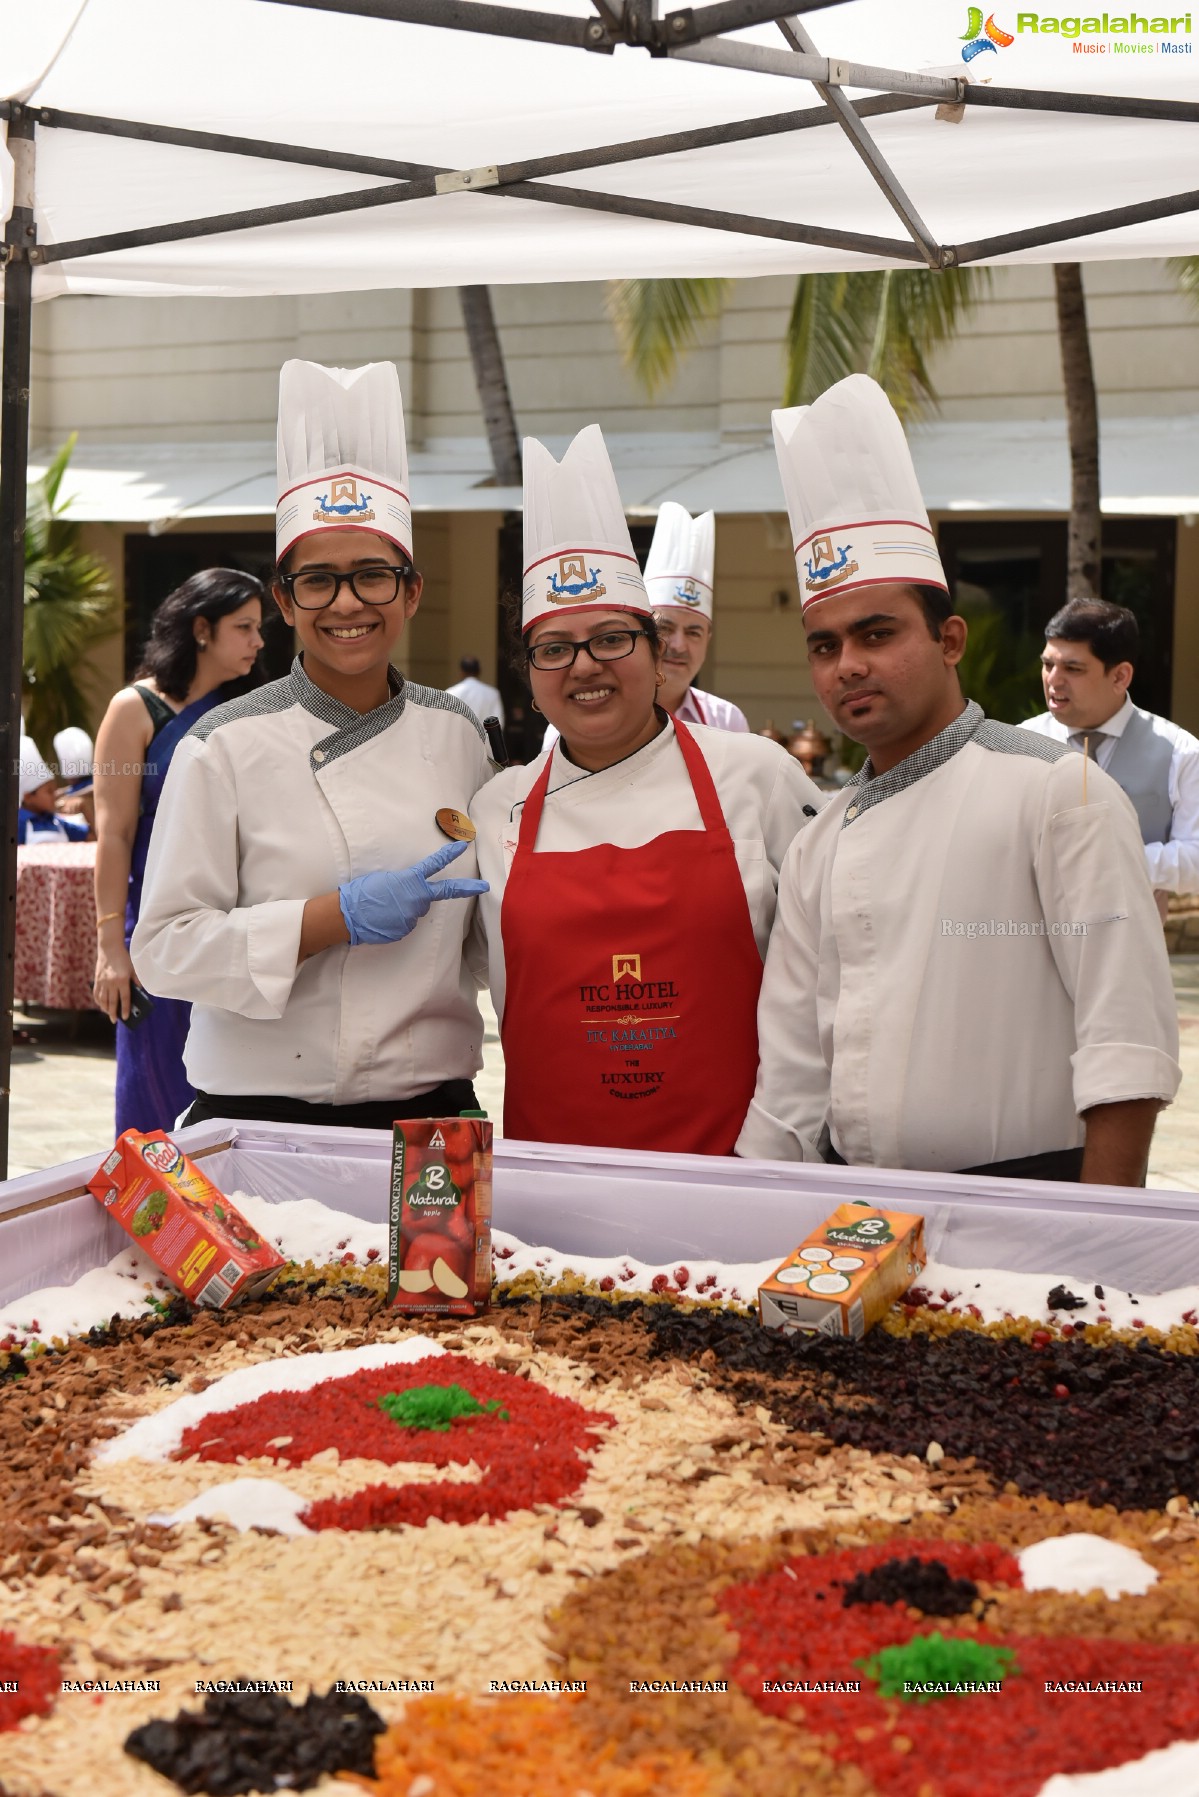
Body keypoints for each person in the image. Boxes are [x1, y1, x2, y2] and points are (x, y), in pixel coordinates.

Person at [737, 374, 1179, 1186]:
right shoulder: (818, 841)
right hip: (851, 1213)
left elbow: (1124, 1041)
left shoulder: (1058, 791)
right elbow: (791, 1071)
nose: (849, 665)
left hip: (1034, 1198)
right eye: (824, 645)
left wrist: (1095, 1240)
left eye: (876, 633)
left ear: (949, 639)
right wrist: (759, 1212)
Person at [133, 359, 490, 1132]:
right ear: (284, 602)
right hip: (257, 1120)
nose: (348, 603)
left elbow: (487, 939)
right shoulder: (221, 744)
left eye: (373, 576)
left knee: (429, 1267)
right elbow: (161, 952)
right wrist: (329, 919)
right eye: (318, 582)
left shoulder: (457, 736)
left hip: (431, 1121)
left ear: (412, 590)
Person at [471, 423, 823, 1156]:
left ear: (650, 646)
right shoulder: (495, 806)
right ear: (530, 673)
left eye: (610, 638)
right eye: (553, 649)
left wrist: (771, 1146)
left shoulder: (757, 775)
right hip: (553, 1178)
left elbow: (828, 977)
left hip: (735, 1168)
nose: (584, 666)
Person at [92, 569, 266, 1134]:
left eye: (258, 628)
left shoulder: (250, 710)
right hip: (157, 933)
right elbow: (114, 832)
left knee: (230, 1107)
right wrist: (111, 949)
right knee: (152, 1099)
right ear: (200, 629)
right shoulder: (134, 708)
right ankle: (152, 1225)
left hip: (236, 930)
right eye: (244, 627)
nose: (258, 642)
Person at [1020, 599, 1199, 921]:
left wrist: (1113, 860)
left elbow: (1196, 860)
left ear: (1120, 677)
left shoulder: (1181, 752)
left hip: (1132, 952)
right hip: (1032, 946)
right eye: (1048, 665)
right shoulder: (1018, 744)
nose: (1054, 680)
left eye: (1072, 669)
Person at [540, 504, 749, 749]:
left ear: (708, 640)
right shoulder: (584, 717)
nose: (678, 645)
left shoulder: (726, 720)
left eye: (694, 632)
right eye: (667, 628)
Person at [17, 744, 90, 843]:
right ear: (28, 797)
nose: (55, 795)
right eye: (49, 791)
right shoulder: (17, 825)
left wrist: (85, 808)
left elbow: (93, 836)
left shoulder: (57, 822)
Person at [447, 656, 504, 728]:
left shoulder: (451, 692)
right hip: (483, 738)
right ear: (479, 671)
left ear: (461, 672)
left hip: (458, 738)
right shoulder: (492, 693)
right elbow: (498, 723)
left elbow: (446, 721)